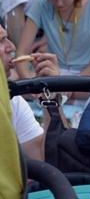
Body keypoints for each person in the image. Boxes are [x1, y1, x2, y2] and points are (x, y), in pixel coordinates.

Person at [2, 24, 62, 161]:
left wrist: (51, 95)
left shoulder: (13, 101)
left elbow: (48, 158)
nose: (12, 47)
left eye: (7, 38)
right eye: (1, 41)